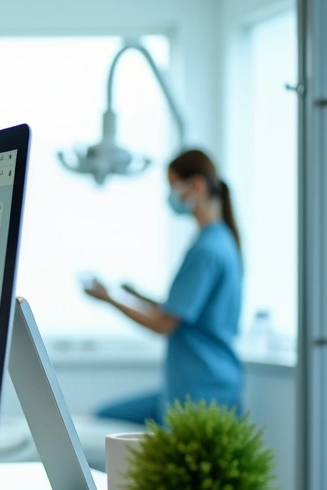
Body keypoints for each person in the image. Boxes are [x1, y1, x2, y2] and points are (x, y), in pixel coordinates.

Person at [84, 149, 244, 425]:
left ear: (196, 185)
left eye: (173, 186)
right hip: (197, 385)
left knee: (103, 423)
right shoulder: (220, 241)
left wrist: (109, 299)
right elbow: (183, 312)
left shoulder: (207, 250)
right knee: (101, 417)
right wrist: (134, 295)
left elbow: (163, 324)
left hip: (201, 391)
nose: (171, 195)